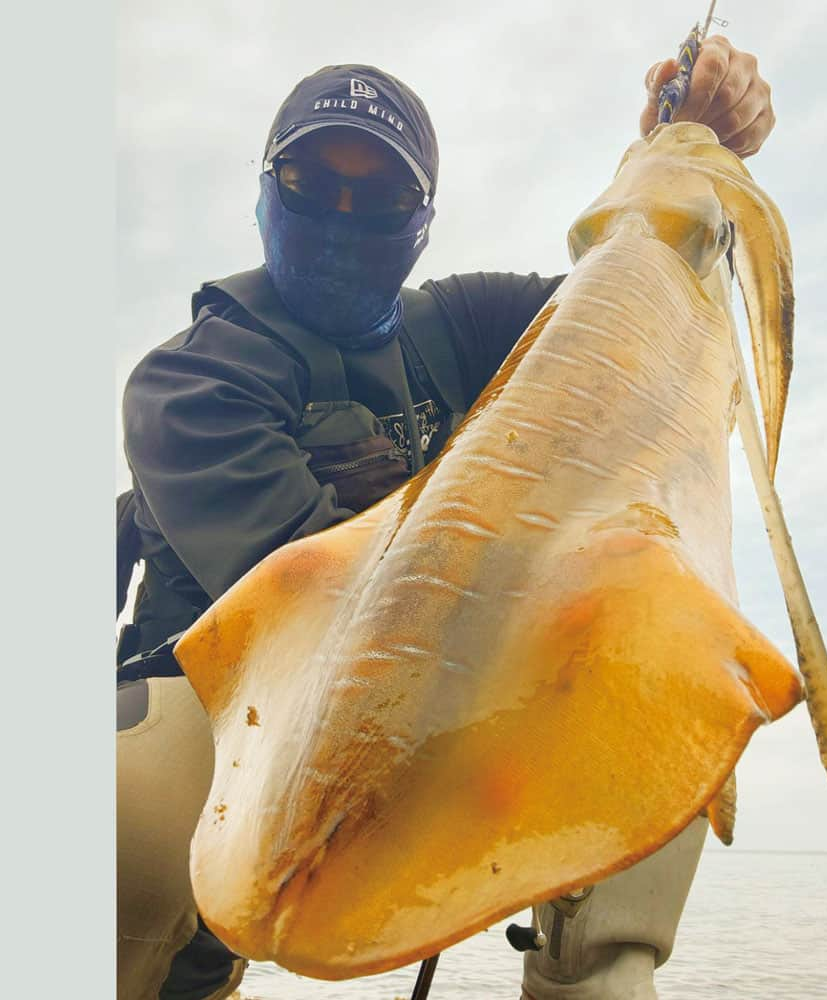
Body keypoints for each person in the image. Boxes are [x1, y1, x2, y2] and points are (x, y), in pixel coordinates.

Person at [117, 39, 776, 1000]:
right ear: (264, 193)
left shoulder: (464, 325)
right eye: (309, 180)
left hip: (461, 686)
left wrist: (681, 159)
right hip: (226, 708)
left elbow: (636, 314)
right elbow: (315, 608)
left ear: (421, 221)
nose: (342, 215)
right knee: (119, 810)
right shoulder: (189, 381)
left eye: (378, 196)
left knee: (651, 702)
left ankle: (591, 973)